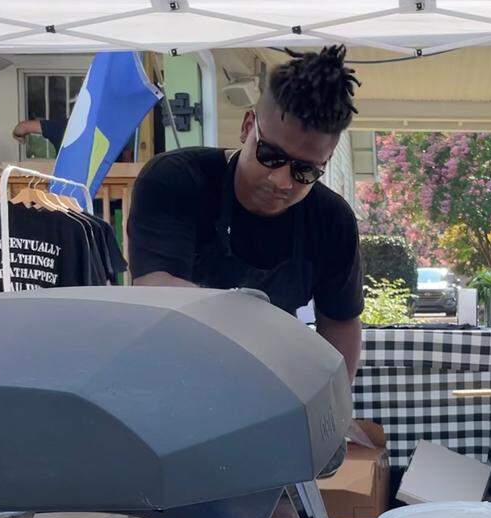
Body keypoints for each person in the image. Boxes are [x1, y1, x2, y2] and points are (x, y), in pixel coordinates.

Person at [127, 46, 364, 380]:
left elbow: (340, 321)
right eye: (270, 154)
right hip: (172, 371)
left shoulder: (332, 220)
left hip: (270, 381)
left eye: (305, 171)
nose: (281, 180)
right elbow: (158, 286)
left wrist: (336, 402)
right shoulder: (176, 180)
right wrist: (256, 324)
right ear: (248, 125)